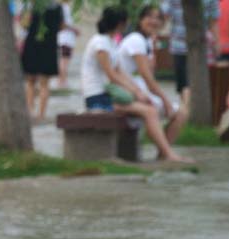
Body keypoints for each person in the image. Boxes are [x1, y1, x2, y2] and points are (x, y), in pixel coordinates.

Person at [80, 6, 192, 162]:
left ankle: (165, 153)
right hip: (98, 98)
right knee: (150, 112)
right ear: (121, 24)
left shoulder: (111, 42)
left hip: (109, 95)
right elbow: (112, 75)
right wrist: (137, 93)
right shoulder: (100, 43)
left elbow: (120, 73)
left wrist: (138, 92)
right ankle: (167, 154)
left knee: (150, 109)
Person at [118, 5, 189, 145]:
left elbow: (149, 74)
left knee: (180, 113)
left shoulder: (147, 41)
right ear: (140, 20)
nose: (154, 21)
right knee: (180, 113)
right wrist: (166, 101)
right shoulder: (136, 40)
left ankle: (164, 151)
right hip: (129, 92)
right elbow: (147, 77)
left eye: (158, 18)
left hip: (139, 92)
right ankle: (165, 151)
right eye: (149, 17)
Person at [161, 0, 220, 107]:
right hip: (179, 45)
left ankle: (190, 110)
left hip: (202, 47)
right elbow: (164, 15)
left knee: (199, 84)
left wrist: (217, 43)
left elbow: (213, 21)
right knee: (183, 85)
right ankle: (186, 110)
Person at [20, 1, 64, 121]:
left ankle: (30, 111)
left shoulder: (33, 5)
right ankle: (42, 114)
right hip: (49, 45)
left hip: (32, 44)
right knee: (44, 83)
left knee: (30, 81)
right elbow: (61, 26)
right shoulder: (57, 7)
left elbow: (24, 24)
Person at [56, 0, 80, 89]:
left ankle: (62, 80)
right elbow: (63, 24)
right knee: (64, 60)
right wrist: (74, 30)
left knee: (64, 60)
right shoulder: (63, 8)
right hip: (65, 38)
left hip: (66, 39)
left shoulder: (66, 8)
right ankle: (62, 81)